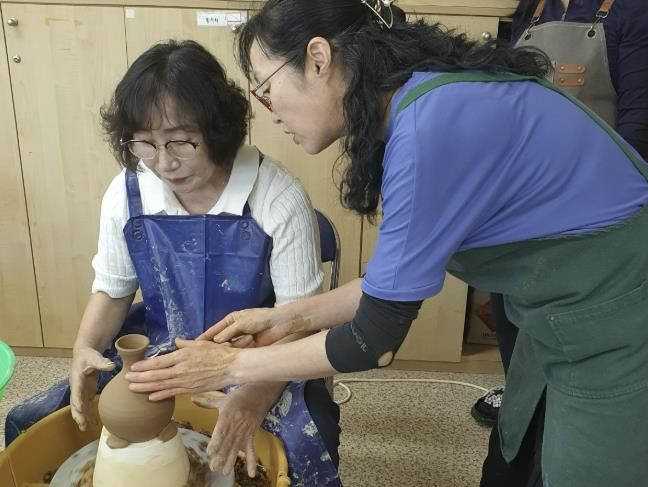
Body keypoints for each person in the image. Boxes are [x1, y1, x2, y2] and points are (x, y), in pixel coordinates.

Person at [124, 2, 648, 486]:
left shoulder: (429, 127)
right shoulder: (422, 102)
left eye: (266, 88)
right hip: (558, 312)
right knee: (516, 457)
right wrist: (287, 318)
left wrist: (229, 367)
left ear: (318, 59)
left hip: (618, 317)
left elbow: (372, 341)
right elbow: (385, 288)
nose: (271, 112)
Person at [4, 39, 341, 485]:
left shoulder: (276, 196)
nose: (164, 163)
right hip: (160, 350)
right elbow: (112, 291)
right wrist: (84, 349)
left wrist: (255, 395)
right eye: (145, 143)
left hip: (260, 358)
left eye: (181, 141)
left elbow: (299, 322)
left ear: (218, 129)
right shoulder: (128, 192)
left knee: (302, 443)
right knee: (31, 419)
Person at [472, 0, 648, 427]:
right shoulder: (533, 8)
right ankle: (521, 400)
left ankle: (565, 411)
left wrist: (591, 202)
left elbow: (638, 126)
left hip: (596, 203)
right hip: (526, 197)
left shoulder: (633, 11)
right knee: (512, 310)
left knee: (570, 324)